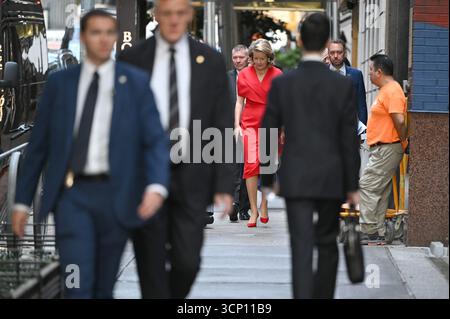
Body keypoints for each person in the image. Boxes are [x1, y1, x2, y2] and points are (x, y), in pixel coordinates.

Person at [11, 9, 170, 299]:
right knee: (76, 284)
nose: (103, 39)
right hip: (73, 197)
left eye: (109, 33)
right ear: (84, 37)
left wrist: (156, 186)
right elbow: (38, 147)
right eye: (95, 32)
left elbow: (155, 141)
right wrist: (22, 201)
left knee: (102, 287)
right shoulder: (61, 84)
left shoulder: (134, 83)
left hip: (118, 197)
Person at [118, 0, 234, 299]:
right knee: (150, 264)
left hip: (193, 175)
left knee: (188, 262)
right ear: (156, 15)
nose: (173, 20)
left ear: (189, 16)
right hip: (144, 178)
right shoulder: (132, 58)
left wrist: (223, 184)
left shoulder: (209, 60)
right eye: (166, 13)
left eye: (179, 13)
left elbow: (221, 122)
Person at [261, 13, 360, 299]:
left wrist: (268, 178)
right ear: (327, 43)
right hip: (331, 178)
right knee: (327, 244)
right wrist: (352, 185)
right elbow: (348, 140)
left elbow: (268, 130)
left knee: (301, 246)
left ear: (301, 40)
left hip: (296, 177)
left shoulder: (283, 83)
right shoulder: (341, 86)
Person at [359, 54, 407, 245]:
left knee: (368, 185)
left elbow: (400, 121)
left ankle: (369, 230)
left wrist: (402, 140)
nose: (369, 73)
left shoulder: (392, 91)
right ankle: (376, 230)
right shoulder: (386, 90)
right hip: (383, 148)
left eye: (370, 70)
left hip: (388, 147)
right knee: (379, 190)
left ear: (379, 71)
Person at [234, 39, 282, 228]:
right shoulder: (244, 75)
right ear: (251, 58)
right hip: (250, 123)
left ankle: (264, 204)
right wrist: (236, 125)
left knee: (267, 166)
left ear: (269, 58)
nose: (259, 62)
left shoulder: (277, 74)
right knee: (250, 166)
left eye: (263, 58)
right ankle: (253, 209)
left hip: (271, 122)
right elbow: (239, 101)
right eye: (256, 58)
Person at [227, 44, 251, 222]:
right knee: (235, 166)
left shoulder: (254, 76)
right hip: (231, 128)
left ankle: (244, 207)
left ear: (247, 57)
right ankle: (235, 203)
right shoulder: (225, 77)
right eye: (235, 58)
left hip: (252, 126)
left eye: (240, 58)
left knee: (249, 169)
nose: (237, 61)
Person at [328, 39, 368, 125]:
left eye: (339, 52)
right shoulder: (322, 73)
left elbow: (361, 106)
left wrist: (362, 132)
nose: (335, 56)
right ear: (328, 54)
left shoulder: (356, 75)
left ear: (345, 53)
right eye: (332, 52)